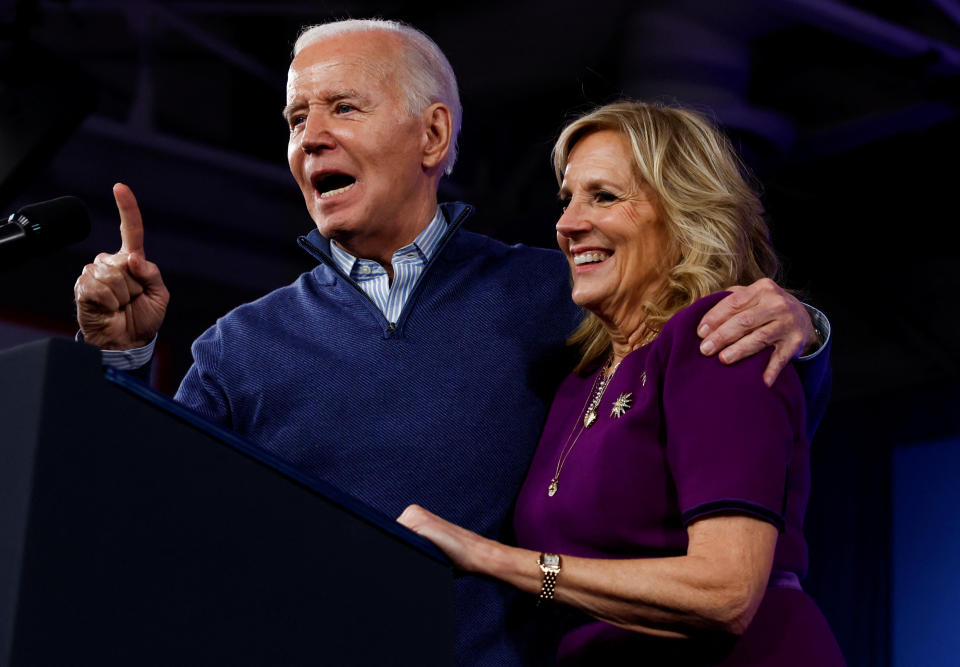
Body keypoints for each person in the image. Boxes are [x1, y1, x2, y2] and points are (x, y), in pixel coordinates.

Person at [73, 20, 831, 666]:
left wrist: (802, 332)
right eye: (296, 118)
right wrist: (121, 363)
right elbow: (148, 521)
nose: (312, 137)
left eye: (343, 107)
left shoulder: (560, 294)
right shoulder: (236, 347)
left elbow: (742, 418)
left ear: (432, 134)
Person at [399, 101, 844, 665]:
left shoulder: (718, 340)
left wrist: (488, 557)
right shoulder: (577, 379)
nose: (566, 225)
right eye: (568, 199)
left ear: (685, 214)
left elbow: (727, 593)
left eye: (604, 196)